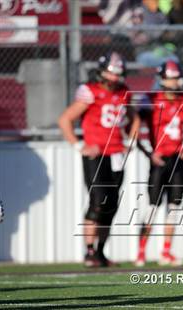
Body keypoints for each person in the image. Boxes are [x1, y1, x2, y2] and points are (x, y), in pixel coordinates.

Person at [59, 52, 140, 267]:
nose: (114, 78)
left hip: (116, 154)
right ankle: (89, 251)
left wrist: (130, 142)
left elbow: (135, 119)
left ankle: (101, 252)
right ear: (102, 72)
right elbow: (65, 119)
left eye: (117, 74)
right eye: (110, 74)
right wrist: (79, 145)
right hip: (97, 154)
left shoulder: (124, 93)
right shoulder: (90, 91)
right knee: (98, 200)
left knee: (111, 205)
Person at [135, 60, 183, 267]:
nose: (174, 82)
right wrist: (148, 152)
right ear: (163, 79)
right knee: (152, 207)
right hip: (159, 159)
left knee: (174, 208)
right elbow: (134, 128)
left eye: (176, 78)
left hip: (176, 160)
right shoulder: (151, 99)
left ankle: (166, 251)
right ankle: (141, 252)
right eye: (171, 78)